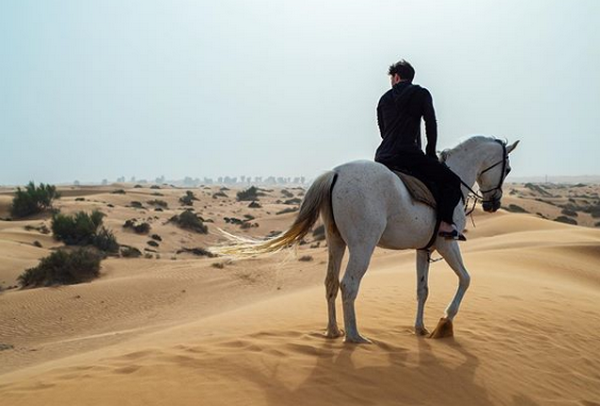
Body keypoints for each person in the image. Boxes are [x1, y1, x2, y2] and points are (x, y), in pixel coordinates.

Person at [375, 59, 465, 240]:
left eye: (391, 78)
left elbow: (384, 132)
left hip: (382, 157)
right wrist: (430, 153)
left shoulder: (383, 99)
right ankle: (445, 224)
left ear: (396, 77)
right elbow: (431, 124)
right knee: (453, 183)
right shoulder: (421, 93)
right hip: (408, 155)